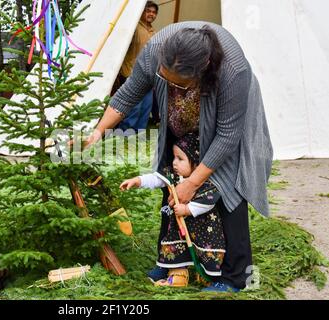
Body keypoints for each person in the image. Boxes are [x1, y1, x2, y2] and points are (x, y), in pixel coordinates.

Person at [83, 22, 274, 292]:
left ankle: (234, 275)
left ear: (202, 69)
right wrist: (98, 131)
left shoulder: (233, 71)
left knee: (228, 185)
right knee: (173, 176)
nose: (167, 83)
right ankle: (172, 259)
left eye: (177, 81)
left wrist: (194, 183)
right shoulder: (155, 52)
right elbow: (129, 93)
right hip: (180, 117)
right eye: (164, 77)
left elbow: (227, 136)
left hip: (225, 123)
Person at [120, 132, 226, 288]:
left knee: (204, 253)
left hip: (204, 230)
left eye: (180, 159)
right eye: (174, 157)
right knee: (177, 247)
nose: (174, 163)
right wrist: (137, 181)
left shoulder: (205, 181)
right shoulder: (173, 175)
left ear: (196, 162)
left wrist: (187, 209)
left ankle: (206, 276)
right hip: (179, 227)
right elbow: (157, 178)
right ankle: (177, 274)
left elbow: (209, 201)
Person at [114, 1, 158, 132]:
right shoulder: (134, 27)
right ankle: (125, 133)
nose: (151, 14)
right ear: (142, 12)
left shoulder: (154, 31)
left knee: (146, 107)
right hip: (131, 73)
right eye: (148, 11)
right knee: (135, 108)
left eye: (154, 12)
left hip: (148, 75)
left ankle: (139, 133)